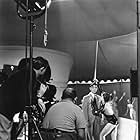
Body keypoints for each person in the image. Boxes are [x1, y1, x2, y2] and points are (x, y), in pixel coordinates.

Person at [0, 56, 51, 140]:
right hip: (4, 109)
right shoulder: (29, 76)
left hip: (5, 109)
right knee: (4, 136)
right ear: (42, 69)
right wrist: (25, 108)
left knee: (6, 135)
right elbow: (24, 94)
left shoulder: (24, 73)